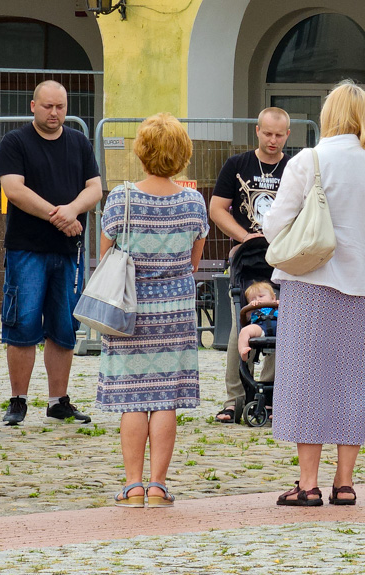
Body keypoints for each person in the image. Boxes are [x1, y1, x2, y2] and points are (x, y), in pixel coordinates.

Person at [263, 80, 365, 506]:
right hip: (360, 287)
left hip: (310, 281)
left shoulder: (309, 159)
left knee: (306, 380)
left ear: (328, 114)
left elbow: (274, 224)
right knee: (349, 382)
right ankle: (345, 482)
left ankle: (307, 484)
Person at [96, 113, 208, 508]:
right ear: (182, 154)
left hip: (129, 309)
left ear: (142, 152)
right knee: (165, 398)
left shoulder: (121, 198)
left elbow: (105, 253)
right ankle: (159, 485)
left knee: (132, 398)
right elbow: (194, 262)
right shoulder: (193, 201)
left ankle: (132, 485)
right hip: (175, 309)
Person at [0, 80, 102, 426]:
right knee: (23, 324)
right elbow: (14, 189)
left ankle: (58, 400)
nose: (55, 113)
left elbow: (95, 188)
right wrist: (60, 217)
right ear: (33, 106)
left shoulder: (79, 142)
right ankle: (18, 401)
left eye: (60, 107)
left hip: (68, 252)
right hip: (27, 249)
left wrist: (73, 210)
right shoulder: (15, 142)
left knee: (63, 327)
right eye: (48, 106)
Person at [210, 107, 290, 423]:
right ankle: (234, 398)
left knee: (280, 323)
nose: (272, 140)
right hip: (247, 260)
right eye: (267, 133)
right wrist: (244, 237)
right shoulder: (237, 164)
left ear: (288, 135)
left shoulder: (293, 168)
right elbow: (217, 209)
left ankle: (268, 394)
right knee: (239, 327)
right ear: (257, 130)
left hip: (282, 259)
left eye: (279, 134)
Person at [238, 281, 278, 362]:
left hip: (278, 327)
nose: (257, 300)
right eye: (253, 299)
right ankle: (243, 350)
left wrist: (282, 304)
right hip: (260, 327)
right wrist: (250, 307)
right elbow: (245, 319)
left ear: (273, 298)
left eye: (261, 296)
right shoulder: (253, 310)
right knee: (244, 331)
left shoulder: (276, 307)